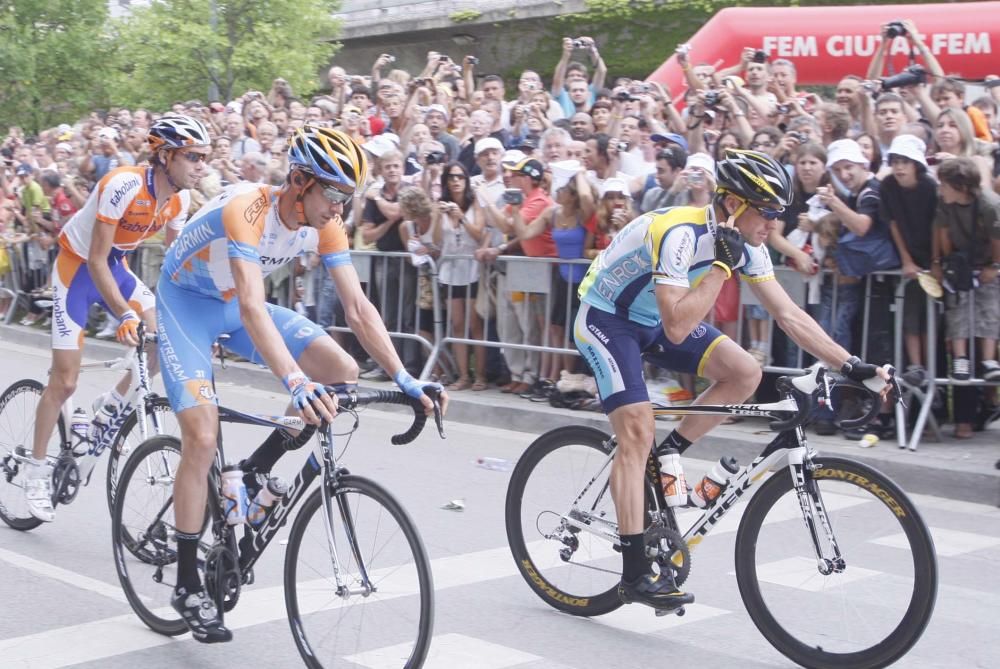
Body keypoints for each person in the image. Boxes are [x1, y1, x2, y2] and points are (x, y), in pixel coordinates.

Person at [156, 126, 446, 643]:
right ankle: (184, 584)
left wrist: (407, 379)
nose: (339, 209)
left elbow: (358, 308)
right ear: (299, 180)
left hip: (234, 304)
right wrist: (293, 381)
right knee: (201, 438)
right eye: (333, 195)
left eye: (347, 198)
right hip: (187, 305)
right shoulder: (246, 210)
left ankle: (253, 471)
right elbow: (250, 304)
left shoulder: (325, 223)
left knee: (342, 372)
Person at [573, 149, 891, 611]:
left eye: (777, 214)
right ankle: (635, 574)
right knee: (636, 429)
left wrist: (853, 366)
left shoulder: (749, 243)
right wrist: (722, 266)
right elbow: (679, 326)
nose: (772, 225)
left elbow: (788, 314)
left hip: (655, 319)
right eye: (766, 213)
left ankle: (668, 456)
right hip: (607, 317)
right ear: (735, 206)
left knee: (745, 372)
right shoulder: (681, 233)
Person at [24, 115, 212, 523]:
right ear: (165, 156)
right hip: (78, 270)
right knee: (65, 380)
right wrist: (126, 314)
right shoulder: (122, 184)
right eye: (193, 156)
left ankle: (109, 405)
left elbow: (173, 269)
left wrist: (193, 318)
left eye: (205, 158)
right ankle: (36, 471)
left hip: (117, 267)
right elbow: (94, 258)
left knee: (164, 339)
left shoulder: (179, 200)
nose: (202, 165)